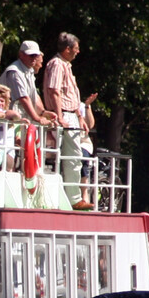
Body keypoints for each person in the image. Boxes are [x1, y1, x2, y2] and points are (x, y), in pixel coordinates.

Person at [42, 32, 99, 209]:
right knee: (70, 157)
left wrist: (80, 116)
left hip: (71, 114)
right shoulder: (57, 65)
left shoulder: (65, 65)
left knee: (73, 157)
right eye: (76, 48)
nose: (78, 52)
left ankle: (73, 197)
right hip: (63, 115)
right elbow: (54, 91)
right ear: (67, 49)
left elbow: (70, 95)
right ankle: (73, 199)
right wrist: (60, 116)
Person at [0, 40, 59, 126]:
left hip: (21, 118)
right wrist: (37, 118)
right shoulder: (15, 72)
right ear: (21, 54)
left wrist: (42, 113)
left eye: (36, 55)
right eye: (31, 55)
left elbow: (33, 97)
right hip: (6, 120)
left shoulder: (29, 71)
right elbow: (24, 98)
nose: (34, 58)